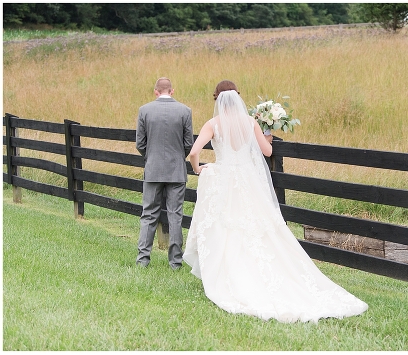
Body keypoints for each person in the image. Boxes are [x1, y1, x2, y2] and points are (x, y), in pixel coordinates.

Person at [183, 85, 368, 323]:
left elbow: (193, 152)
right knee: (259, 227)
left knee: (229, 227)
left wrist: (199, 168)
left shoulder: (213, 124)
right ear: (238, 98)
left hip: (226, 182)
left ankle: (232, 273)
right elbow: (267, 151)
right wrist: (268, 132)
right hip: (249, 181)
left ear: (217, 99)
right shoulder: (250, 122)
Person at [135, 77, 194, 270]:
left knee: (149, 214)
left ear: (156, 92)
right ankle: (175, 262)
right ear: (172, 91)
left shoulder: (144, 110)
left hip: (153, 169)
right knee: (175, 215)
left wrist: (151, 156)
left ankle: (143, 259)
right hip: (176, 170)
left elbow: (140, 144)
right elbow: (188, 144)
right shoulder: (185, 111)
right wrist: (178, 157)